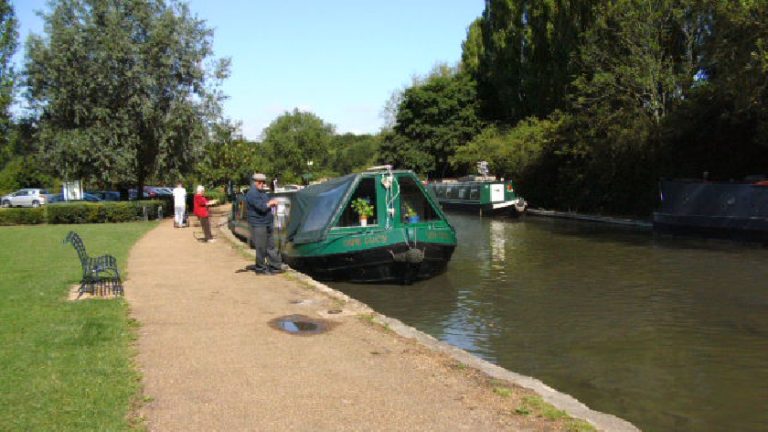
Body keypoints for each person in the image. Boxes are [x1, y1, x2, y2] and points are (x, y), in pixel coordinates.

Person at [245, 173, 284, 274]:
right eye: (260, 182)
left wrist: (272, 202)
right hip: (258, 223)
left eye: (263, 182)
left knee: (271, 245)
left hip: (267, 222)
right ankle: (260, 269)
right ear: (254, 182)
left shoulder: (262, 192)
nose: (262, 184)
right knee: (261, 247)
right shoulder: (252, 193)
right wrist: (270, 203)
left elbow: (266, 204)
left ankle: (275, 266)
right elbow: (261, 207)